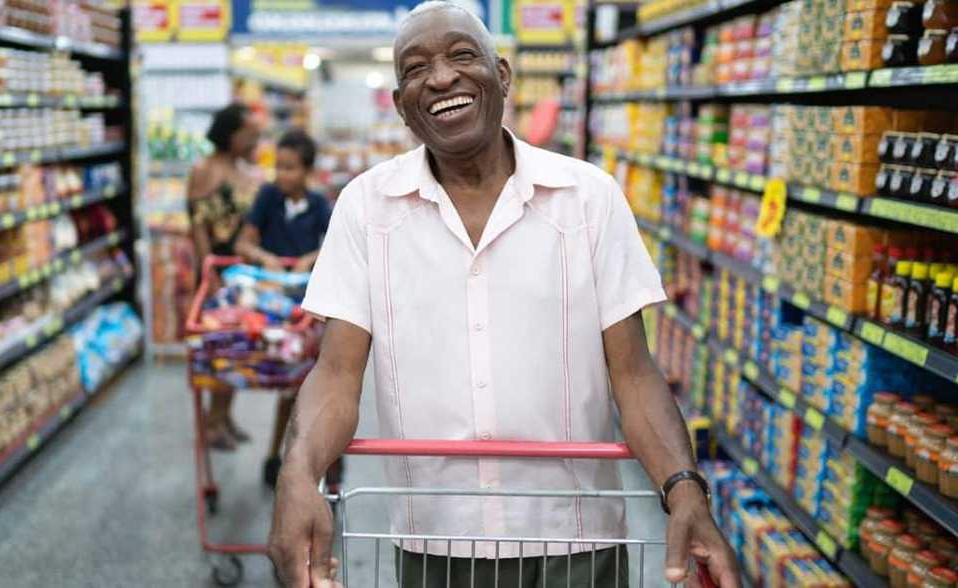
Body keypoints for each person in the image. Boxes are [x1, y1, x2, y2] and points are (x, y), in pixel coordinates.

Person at [267, 2, 743, 587]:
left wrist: (685, 488)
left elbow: (634, 375)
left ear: (504, 75)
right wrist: (297, 474)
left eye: (462, 55)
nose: (441, 77)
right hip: (435, 542)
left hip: (579, 540)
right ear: (401, 105)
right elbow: (337, 375)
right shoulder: (366, 208)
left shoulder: (587, 199)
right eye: (416, 68)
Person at [235, 130, 332, 487]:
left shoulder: (320, 205)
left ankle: (313, 463)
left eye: (290, 168)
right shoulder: (267, 198)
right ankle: (277, 456)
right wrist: (266, 259)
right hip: (273, 308)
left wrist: (310, 257)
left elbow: (336, 244)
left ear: (307, 170)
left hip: (307, 309)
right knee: (289, 389)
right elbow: (243, 243)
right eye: (279, 167)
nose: (282, 175)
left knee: (307, 390)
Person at [188, 102, 263, 450]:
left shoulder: (246, 169)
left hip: (242, 274)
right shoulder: (205, 169)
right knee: (220, 351)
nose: (254, 138)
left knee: (237, 349)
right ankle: (212, 423)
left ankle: (224, 417)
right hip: (217, 274)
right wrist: (209, 275)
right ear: (229, 133)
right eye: (247, 132)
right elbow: (198, 223)